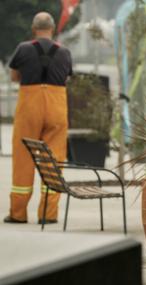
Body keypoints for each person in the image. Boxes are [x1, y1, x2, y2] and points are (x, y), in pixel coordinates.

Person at [4, 12, 73, 224]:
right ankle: (48, 214)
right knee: (54, 160)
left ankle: (18, 213)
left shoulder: (23, 48)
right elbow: (67, 77)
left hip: (29, 107)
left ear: (34, 29)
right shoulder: (64, 52)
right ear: (52, 29)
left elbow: (15, 76)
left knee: (23, 158)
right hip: (56, 107)